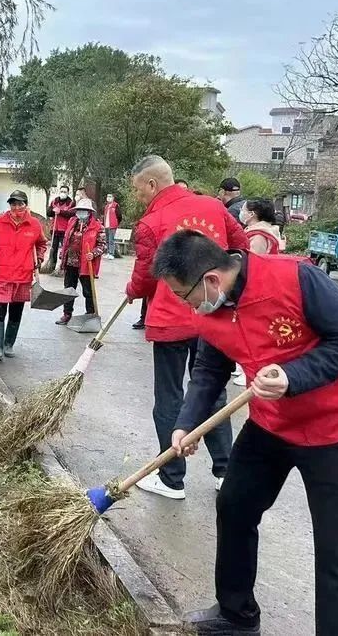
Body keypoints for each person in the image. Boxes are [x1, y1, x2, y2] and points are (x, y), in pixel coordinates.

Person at [153, 229, 338, 636]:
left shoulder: (296, 278)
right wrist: (186, 422)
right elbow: (209, 369)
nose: (187, 307)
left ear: (211, 281)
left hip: (335, 429)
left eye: (184, 296)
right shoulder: (213, 311)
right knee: (235, 506)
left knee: (335, 548)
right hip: (270, 426)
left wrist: (294, 376)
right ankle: (236, 615)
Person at [125, 155, 248, 499]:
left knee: (169, 397)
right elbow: (240, 245)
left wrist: (133, 291)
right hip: (212, 313)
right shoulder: (213, 206)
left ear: (152, 184)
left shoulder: (153, 221)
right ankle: (226, 471)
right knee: (212, 390)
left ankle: (171, 478)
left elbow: (147, 275)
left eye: (138, 190)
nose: (138, 198)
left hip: (172, 318)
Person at [0, 190, 47, 361]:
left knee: (16, 312)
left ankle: (8, 344)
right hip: (1, 275)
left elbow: (42, 243)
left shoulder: (34, 225)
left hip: (23, 276)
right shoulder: (0, 222)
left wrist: (40, 258)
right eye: (13, 203)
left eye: (19, 203)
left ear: (25, 205)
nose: (16, 207)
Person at [56, 197, 106, 325]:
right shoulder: (72, 221)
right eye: (79, 210)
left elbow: (103, 245)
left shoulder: (97, 226)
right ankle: (67, 314)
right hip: (71, 262)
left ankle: (90, 315)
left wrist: (93, 253)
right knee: (68, 289)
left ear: (89, 212)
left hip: (86, 264)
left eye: (84, 210)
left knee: (88, 291)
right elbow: (67, 239)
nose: (81, 212)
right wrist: (63, 252)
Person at [45, 185, 75, 268]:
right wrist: (52, 211)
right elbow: (48, 212)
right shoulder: (55, 201)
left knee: (65, 249)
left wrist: (60, 212)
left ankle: (63, 266)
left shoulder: (71, 203)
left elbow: (72, 214)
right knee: (53, 249)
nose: (63, 193)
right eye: (61, 191)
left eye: (65, 192)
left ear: (68, 193)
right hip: (54, 228)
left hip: (64, 229)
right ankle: (52, 265)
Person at [103, 193, 123, 259]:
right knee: (107, 240)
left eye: (110, 196)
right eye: (107, 196)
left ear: (113, 198)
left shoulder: (116, 205)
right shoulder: (106, 206)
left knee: (111, 240)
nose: (108, 198)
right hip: (106, 225)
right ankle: (108, 252)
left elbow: (119, 216)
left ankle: (112, 253)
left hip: (112, 226)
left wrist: (116, 223)